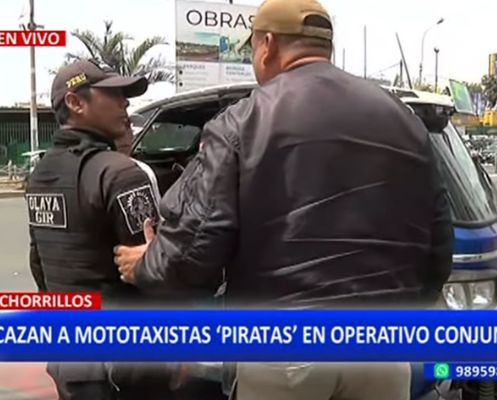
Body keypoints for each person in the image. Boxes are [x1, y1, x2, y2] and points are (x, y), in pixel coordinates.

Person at [114, 0, 454, 398]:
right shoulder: (404, 121)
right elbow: (438, 247)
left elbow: (197, 247)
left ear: (268, 45)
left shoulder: (242, 122)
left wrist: (146, 264)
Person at [25, 59, 182, 400]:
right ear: (75, 103)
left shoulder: (39, 176)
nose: (124, 103)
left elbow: (38, 264)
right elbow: (155, 272)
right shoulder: (121, 174)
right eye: (112, 94)